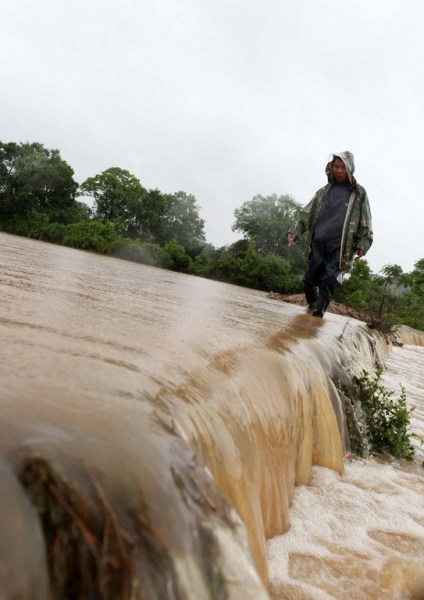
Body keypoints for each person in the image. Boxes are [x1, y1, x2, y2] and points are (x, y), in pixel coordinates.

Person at [287, 151, 373, 318]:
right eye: (336, 166)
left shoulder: (358, 193)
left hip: (340, 246)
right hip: (318, 242)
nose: (339, 171)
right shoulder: (323, 192)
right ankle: (311, 307)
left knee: (329, 279)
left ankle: (318, 315)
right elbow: (306, 213)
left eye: (343, 167)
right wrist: (295, 230)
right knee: (309, 279)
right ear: (331, 168)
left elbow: (365, 221)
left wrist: (363, 243)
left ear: (350, 169)